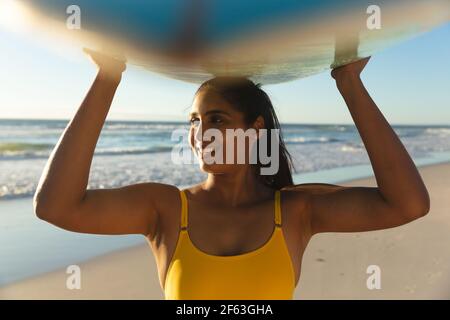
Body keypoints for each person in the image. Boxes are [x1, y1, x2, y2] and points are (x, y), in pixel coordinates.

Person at [34, 49, 430, 299]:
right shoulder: (166, 209)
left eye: (216, 119)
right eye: (193, 121)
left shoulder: (294, 210)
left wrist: (349, 83)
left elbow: (407, 204)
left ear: (255, 129)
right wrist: (108, 77)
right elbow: (56, 206)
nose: (198, 134)